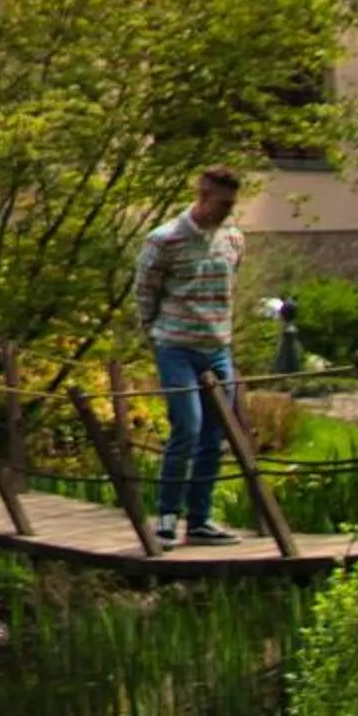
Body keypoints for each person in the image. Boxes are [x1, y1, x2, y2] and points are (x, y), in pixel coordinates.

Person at [136, 165, 249, 549]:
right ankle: (167, 517)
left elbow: (231, 285)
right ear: (203, 196)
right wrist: (153, 334)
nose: (227, 211)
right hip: (176, 345)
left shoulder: (233, 238)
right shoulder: (164, 240)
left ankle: (199, 519)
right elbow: (145, 291)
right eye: (222, 202)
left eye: (232, 204)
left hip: (217, 347)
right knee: (187, 426)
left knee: (216, 435)